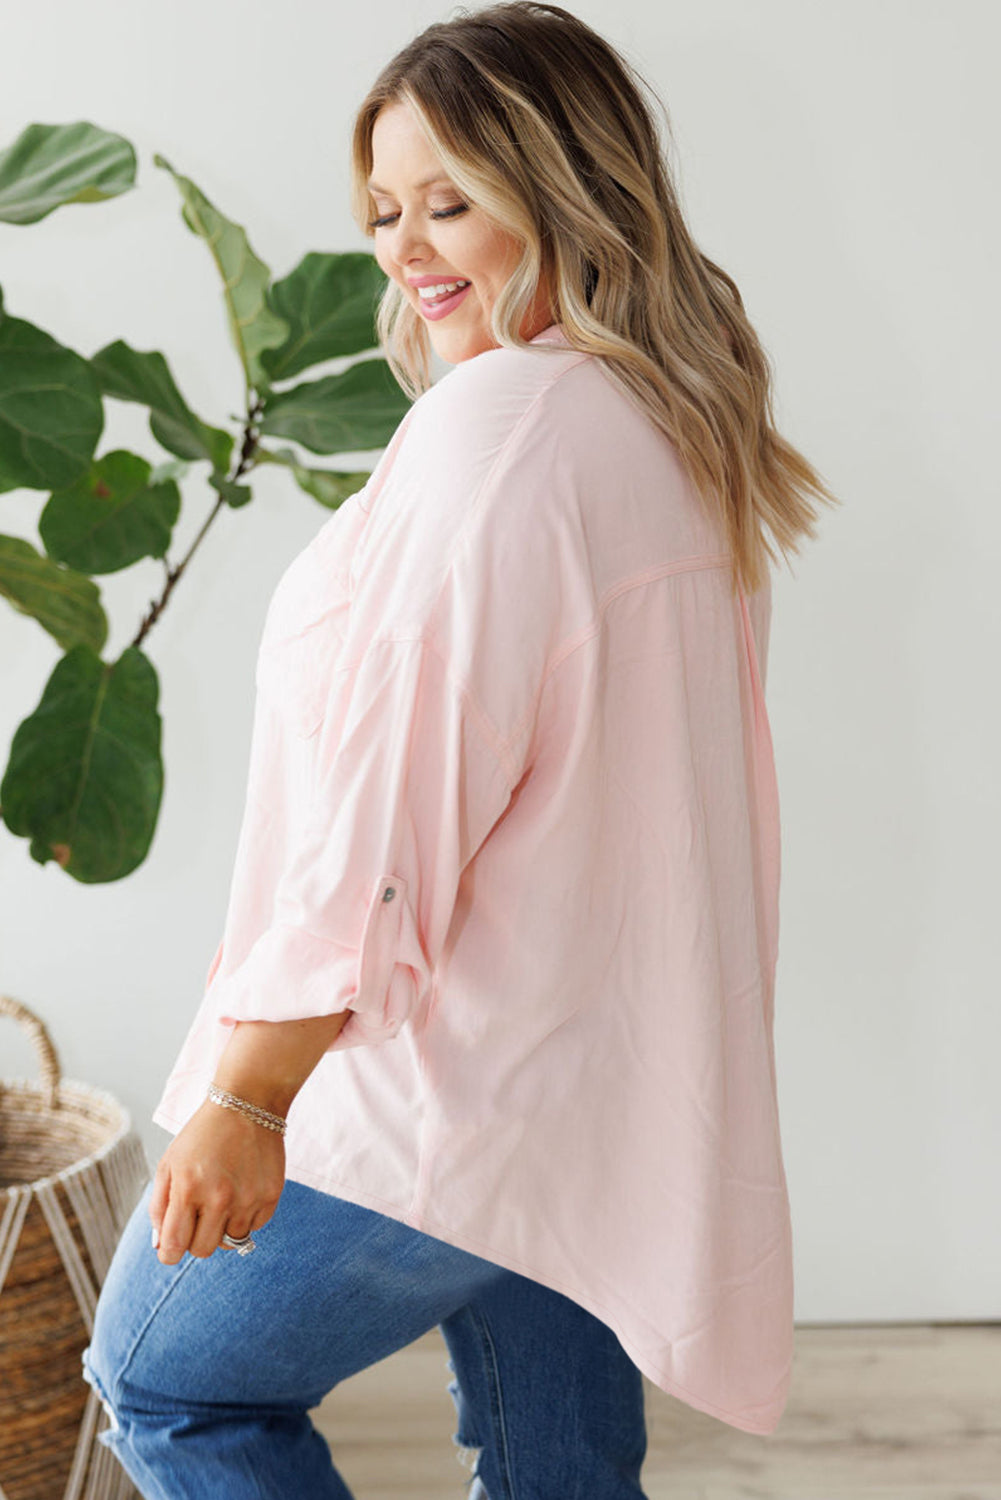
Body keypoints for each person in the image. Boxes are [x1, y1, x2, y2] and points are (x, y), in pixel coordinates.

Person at [83, 4, 839, 1496]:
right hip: (588, 1095)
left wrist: (250, 1094)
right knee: (557, 1471)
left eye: (450, 202)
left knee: (169, 1385)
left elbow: (399, 786)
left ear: (565, 191)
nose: (405, 250)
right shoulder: (663, 421)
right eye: (384, 210)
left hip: (438, 1080)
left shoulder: (500, 429)